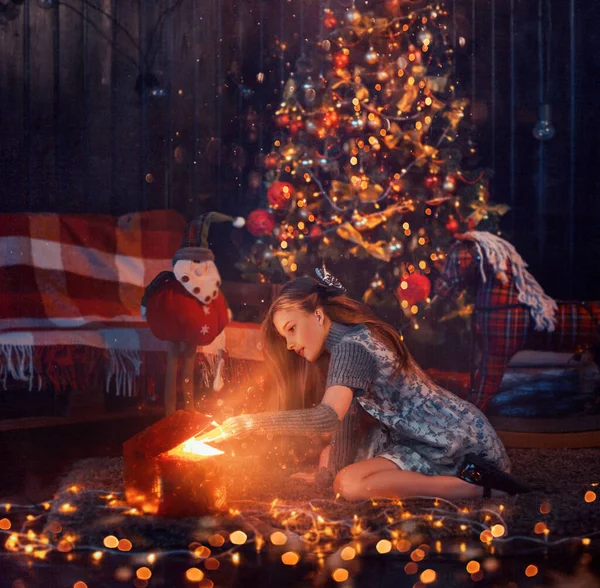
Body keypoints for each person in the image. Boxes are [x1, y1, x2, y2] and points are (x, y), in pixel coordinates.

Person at [198, 269, 531, 501]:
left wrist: (248, 423)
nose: (289, 344)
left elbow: (328, 417)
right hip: (418, 437)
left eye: (291, 329)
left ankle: (479, 487)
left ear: (316, 315)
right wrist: (327, 473)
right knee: (333, 463)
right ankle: (455, 479)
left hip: (455, 442)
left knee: (351, 485)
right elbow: (346, 418)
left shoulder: (352, 348)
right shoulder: (347, 341)